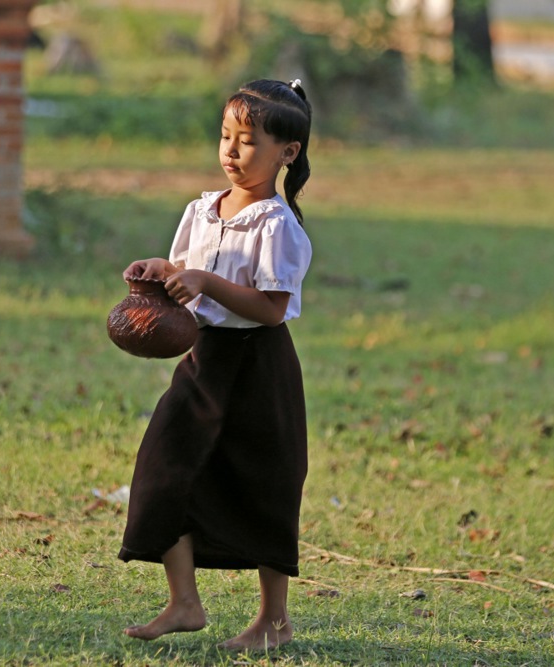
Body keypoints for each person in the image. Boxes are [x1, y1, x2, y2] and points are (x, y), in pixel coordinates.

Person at [118, 78, 314, 651]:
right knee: (164, 465)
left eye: (248, 141)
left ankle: (274, 621)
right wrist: (160, 271)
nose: (231, 150)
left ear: (287, 152)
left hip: (260, 367)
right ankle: (184, 602)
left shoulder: (277, 225)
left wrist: (206, 282)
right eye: (226, 136)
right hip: (204, 361)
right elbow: (186, 271)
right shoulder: (201, 210)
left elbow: (271, 309)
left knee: (265, 485)